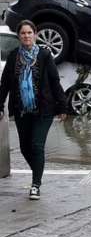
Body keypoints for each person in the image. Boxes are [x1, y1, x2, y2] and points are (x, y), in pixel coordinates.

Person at [0, 20, 68, 200]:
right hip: (21, 109)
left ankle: (35, 184)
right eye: (23, 33)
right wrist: (0, 105)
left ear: (35, 35)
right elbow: (5, 83)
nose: (26, 36)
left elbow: (55, 81)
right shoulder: (14, 56)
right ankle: (38, 171)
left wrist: (62, 106)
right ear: (19, 36)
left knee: (37, 145)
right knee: (24, 147)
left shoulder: (45, 55)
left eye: (30, 33)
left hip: (43, 109)